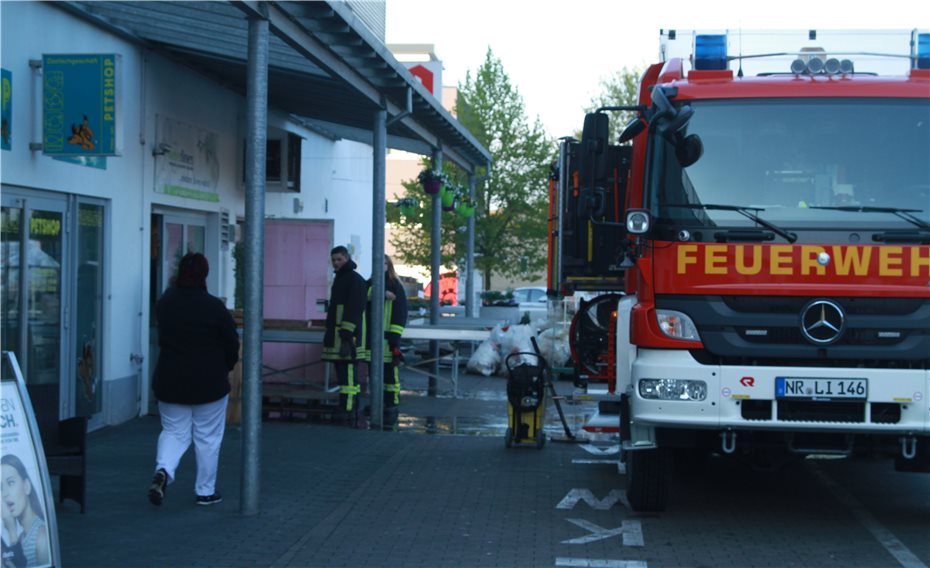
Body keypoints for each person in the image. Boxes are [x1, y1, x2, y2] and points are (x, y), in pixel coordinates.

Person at [148, 252, 239, 507]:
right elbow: (232, 342)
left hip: (170, 380)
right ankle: (205, 491)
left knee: (174, 431)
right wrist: (226, 366)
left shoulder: (165, 302)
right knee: (208, 438)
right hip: (209, 383)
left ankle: (164, 470)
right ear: (205, 274)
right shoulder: (213, 307)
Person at [360, 255, 408, 430]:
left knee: (390, 376)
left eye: (385, 263)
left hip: (387, 339)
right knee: (373, 375)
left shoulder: (396, 286)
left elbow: (400, 313)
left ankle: (392, 404)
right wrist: (380, 294)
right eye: (378, 263)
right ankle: (377, 403)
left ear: (389, 265)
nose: (382, 266)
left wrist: (395, 338)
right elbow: (362, 295)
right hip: (371, 341)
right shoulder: (369, 284)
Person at [321, 246, 367, 425]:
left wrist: (347, 332)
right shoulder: (342, 279)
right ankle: (348, 405)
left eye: (339, 259)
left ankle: (347, 408)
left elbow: (354, 307)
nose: (336, 263)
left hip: (347, 337)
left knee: (347, 374)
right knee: (343, 374)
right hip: (339, 335)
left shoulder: (353, 280)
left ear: (347, 259)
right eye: (333, 260)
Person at [1, 454, 48, 567]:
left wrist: (11, 531)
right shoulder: (23, 537)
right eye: (0, 487)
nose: (5, 493)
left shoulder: (41, 538)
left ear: (26, 486)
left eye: (11, 482)